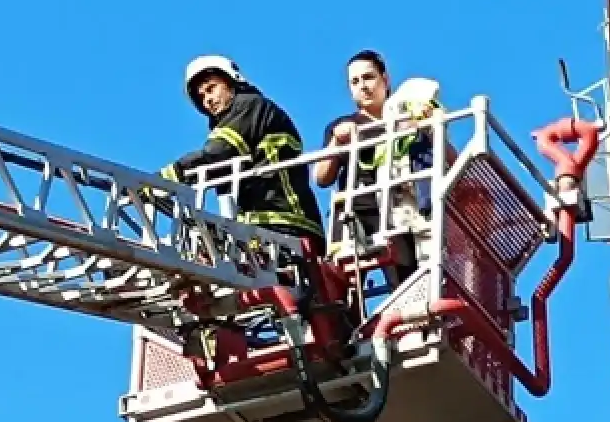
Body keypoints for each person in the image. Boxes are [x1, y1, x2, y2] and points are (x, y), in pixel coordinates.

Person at [157, 54, 326, 257]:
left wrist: (166, 177)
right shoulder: (246, 114)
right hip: (268, 226)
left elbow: (216, 154)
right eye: (201, 97)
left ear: (231, 81)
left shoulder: (249, 106)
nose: (208, 100)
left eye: (211, 89)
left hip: (283, 222)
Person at [314, 49, 456, 287]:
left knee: (409, 286)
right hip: (357, 216)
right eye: (355, 81)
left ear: (385, 79)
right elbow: (321, 177)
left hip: (402, 216)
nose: (363, 86)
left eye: (368, 77)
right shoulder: (343, 126)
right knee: (344, 289)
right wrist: (337, 142)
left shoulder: (411, 118)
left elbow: (452, 160)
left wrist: (430, 130)